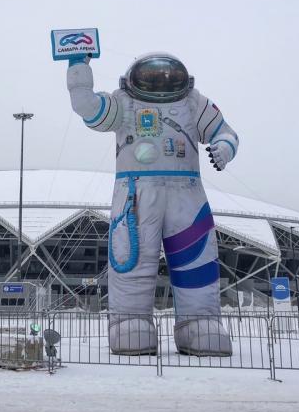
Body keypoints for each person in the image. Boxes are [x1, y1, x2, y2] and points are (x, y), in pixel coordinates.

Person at [65, 52, 239, 356]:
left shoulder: (193, 102)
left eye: (167, 78)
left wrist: (223, 147)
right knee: (131, 256)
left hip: (186, 190)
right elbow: (88, 108)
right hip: (137, 191)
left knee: (195, 256)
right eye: (153, 78)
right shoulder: (124, 102)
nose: (161, 83)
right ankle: (129, 320)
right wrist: (78, 67)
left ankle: (200, 322)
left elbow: (226, 132)